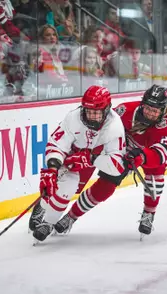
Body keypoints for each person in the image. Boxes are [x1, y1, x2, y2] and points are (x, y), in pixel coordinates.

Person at [54, 84, 167, 238]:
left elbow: (162, 155)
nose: (149, 113)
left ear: (163, 110)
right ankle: (71, 216)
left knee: (155, 173)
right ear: (142, 103)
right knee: (104, 188)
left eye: (155, 110)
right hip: (121, 151)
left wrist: (142, 156)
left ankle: (149, 213)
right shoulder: (125, 110)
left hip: (147, 154)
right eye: (147, 107)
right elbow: (104, 126)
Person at [29, 85, 127, 242]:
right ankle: (47, 220)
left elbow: (116, 166)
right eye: (88, 112)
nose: (91, 117)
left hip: (92, 158)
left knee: (73, 189)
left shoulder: (114, 127)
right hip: (70, 153)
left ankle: (46, 206)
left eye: (96, 113)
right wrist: (53, 169)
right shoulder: (73, 117)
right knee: (66, 186)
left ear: (107, 110)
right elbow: (57, 144)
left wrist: (91, 159)